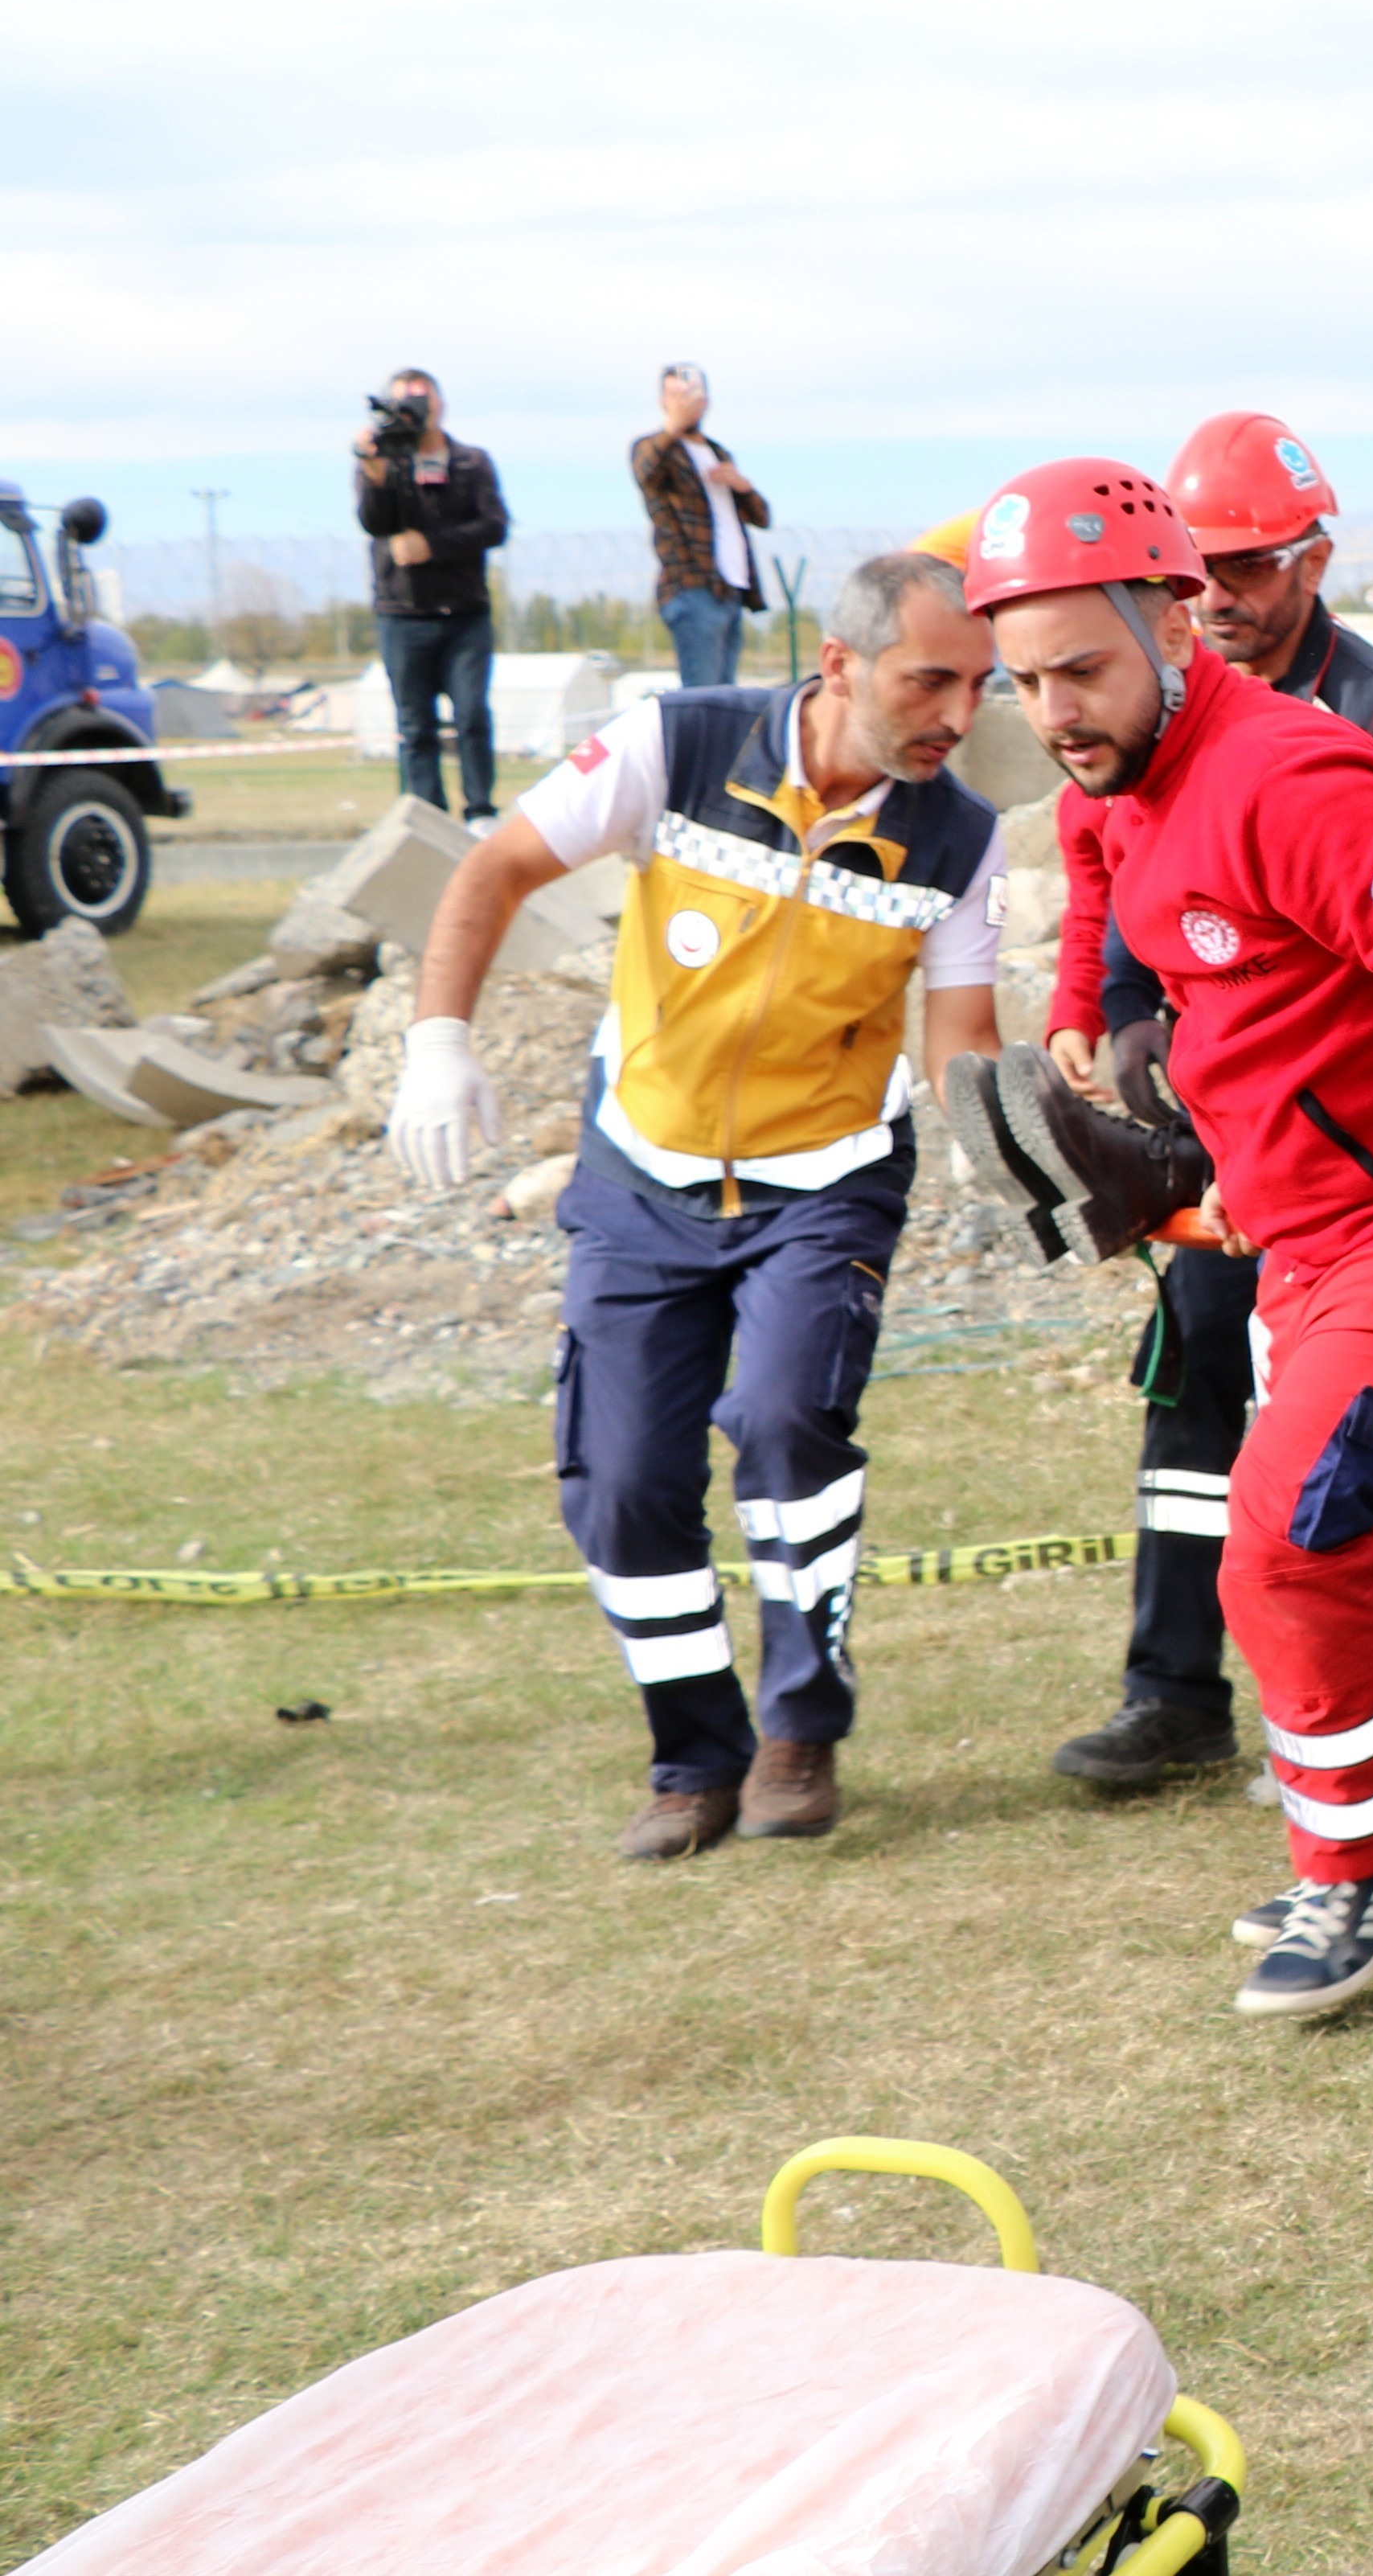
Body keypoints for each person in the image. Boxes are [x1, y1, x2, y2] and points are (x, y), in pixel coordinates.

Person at [974, 456, 1373, 2018]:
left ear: (1175, 622)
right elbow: (1197, 975)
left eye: (1083, 669)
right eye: (1025, 679)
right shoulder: (1130, 789)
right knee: (1353, 1541)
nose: (1054, 707)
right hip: (1308, 1241)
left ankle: (1357, 1878)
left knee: (1283, 1542)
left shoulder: (1286, 775)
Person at [383, 553, 1006, 1858]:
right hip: (639, 1177)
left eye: (979, 682)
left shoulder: (963, 831)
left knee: (787, 1426)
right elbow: (492, 868)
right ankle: (692, 1756)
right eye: (930, 678)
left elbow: (960, 1031)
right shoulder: (677, 744)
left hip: (827, 1184)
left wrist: (991, 1142)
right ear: (839, 664)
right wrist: (437, 1039)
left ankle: (797, 1731)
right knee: (620, 1484)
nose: (960, 709)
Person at [351, 369, 510, 822]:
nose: (418, 412)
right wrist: (375, 473)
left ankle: (480, 810)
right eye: (406, 403)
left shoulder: (471, 461)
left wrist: (434, 545)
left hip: (464, 612)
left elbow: (494, 525)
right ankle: (424, 813)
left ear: (441, 404)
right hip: (403, 612)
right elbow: (374, 523)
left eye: (425, 401)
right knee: (415, 725)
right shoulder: (383, 459)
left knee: (472, 716)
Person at [633, 363, 773, 688]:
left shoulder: (717, 452)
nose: (684, 402)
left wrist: (742, 486)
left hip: (731, 588)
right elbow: (647, 471)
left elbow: (763, 517)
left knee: (725, 696)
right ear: (662, 402)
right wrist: (673, 427)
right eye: (675, 395)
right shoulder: (656, 449)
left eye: (690, 394)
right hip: (692, 587)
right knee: (704, 697)